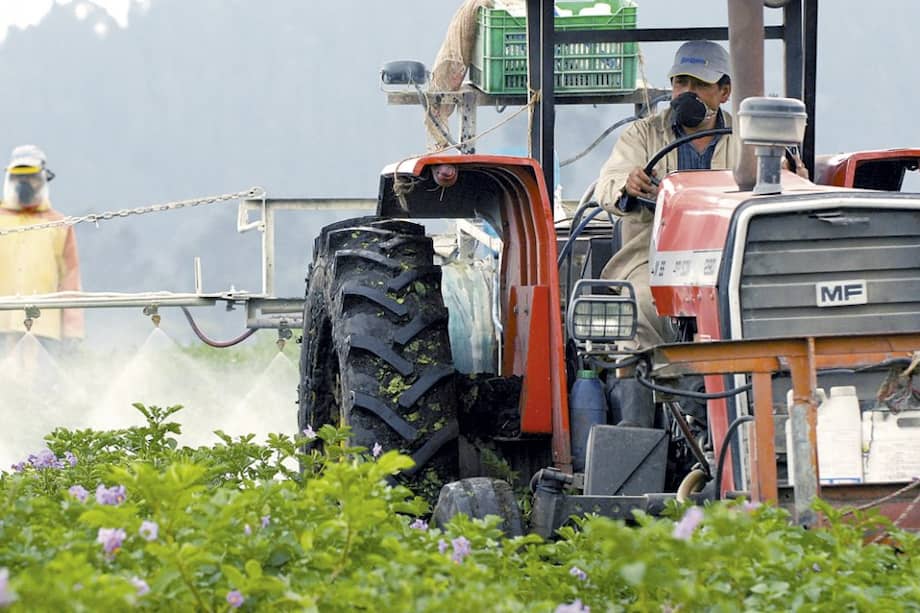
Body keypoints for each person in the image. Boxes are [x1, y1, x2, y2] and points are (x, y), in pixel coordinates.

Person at [594, 41, 736, 427]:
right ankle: (639, 434)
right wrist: (628, 184)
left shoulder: (746, 139)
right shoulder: (642, 135)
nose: (686, 93)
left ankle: (727, 413)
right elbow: (607, 185)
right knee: (640, 304)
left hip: (729, 258)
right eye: (680, 83)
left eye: (698, 84)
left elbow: (785, 175)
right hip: (652, 257)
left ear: (724, 92)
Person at [0, 145, 83, 355]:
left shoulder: (59, 224)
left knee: (41, 387)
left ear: (43, 179)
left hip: (44, 331)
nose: (24, 184)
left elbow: (70, 280)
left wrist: (73, 329)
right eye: (19, 178)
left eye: (31, 177)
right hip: (2, 325)